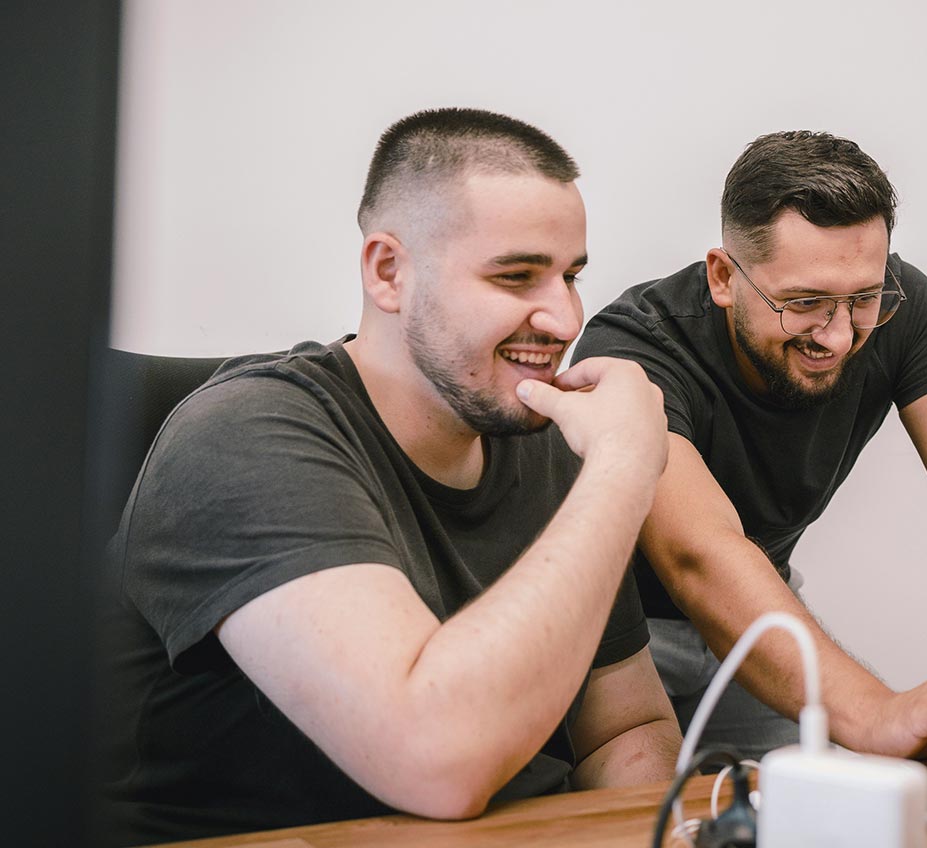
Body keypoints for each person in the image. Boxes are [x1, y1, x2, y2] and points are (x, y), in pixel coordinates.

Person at [100, 108, 679, 846]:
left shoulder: (541, 435)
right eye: (517, 275)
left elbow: (625, 728)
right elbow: (437, 762)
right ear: (388, 271)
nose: (566, 318)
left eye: (571, 276)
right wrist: (625, 465)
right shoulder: (242, 437)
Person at [571, 130, 927, 763]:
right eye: (805, 302)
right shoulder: (636, 346)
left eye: (863, 299)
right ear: (723, 277)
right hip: (618, 634)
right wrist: (875, 710)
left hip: (762, 608)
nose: (839, 336)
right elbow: (699, 553)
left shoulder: (904, 307)